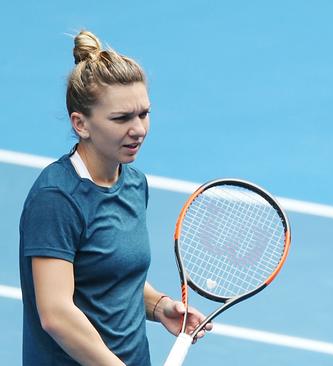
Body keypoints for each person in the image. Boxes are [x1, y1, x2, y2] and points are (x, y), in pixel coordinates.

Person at [19, 30, 211, 365]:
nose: (138, 129)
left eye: (143, 113)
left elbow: (114, 280)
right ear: (81, 124)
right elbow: (56, 314)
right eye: (121, 118)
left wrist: (160, 306)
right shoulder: (56, 198)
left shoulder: (134, 184)